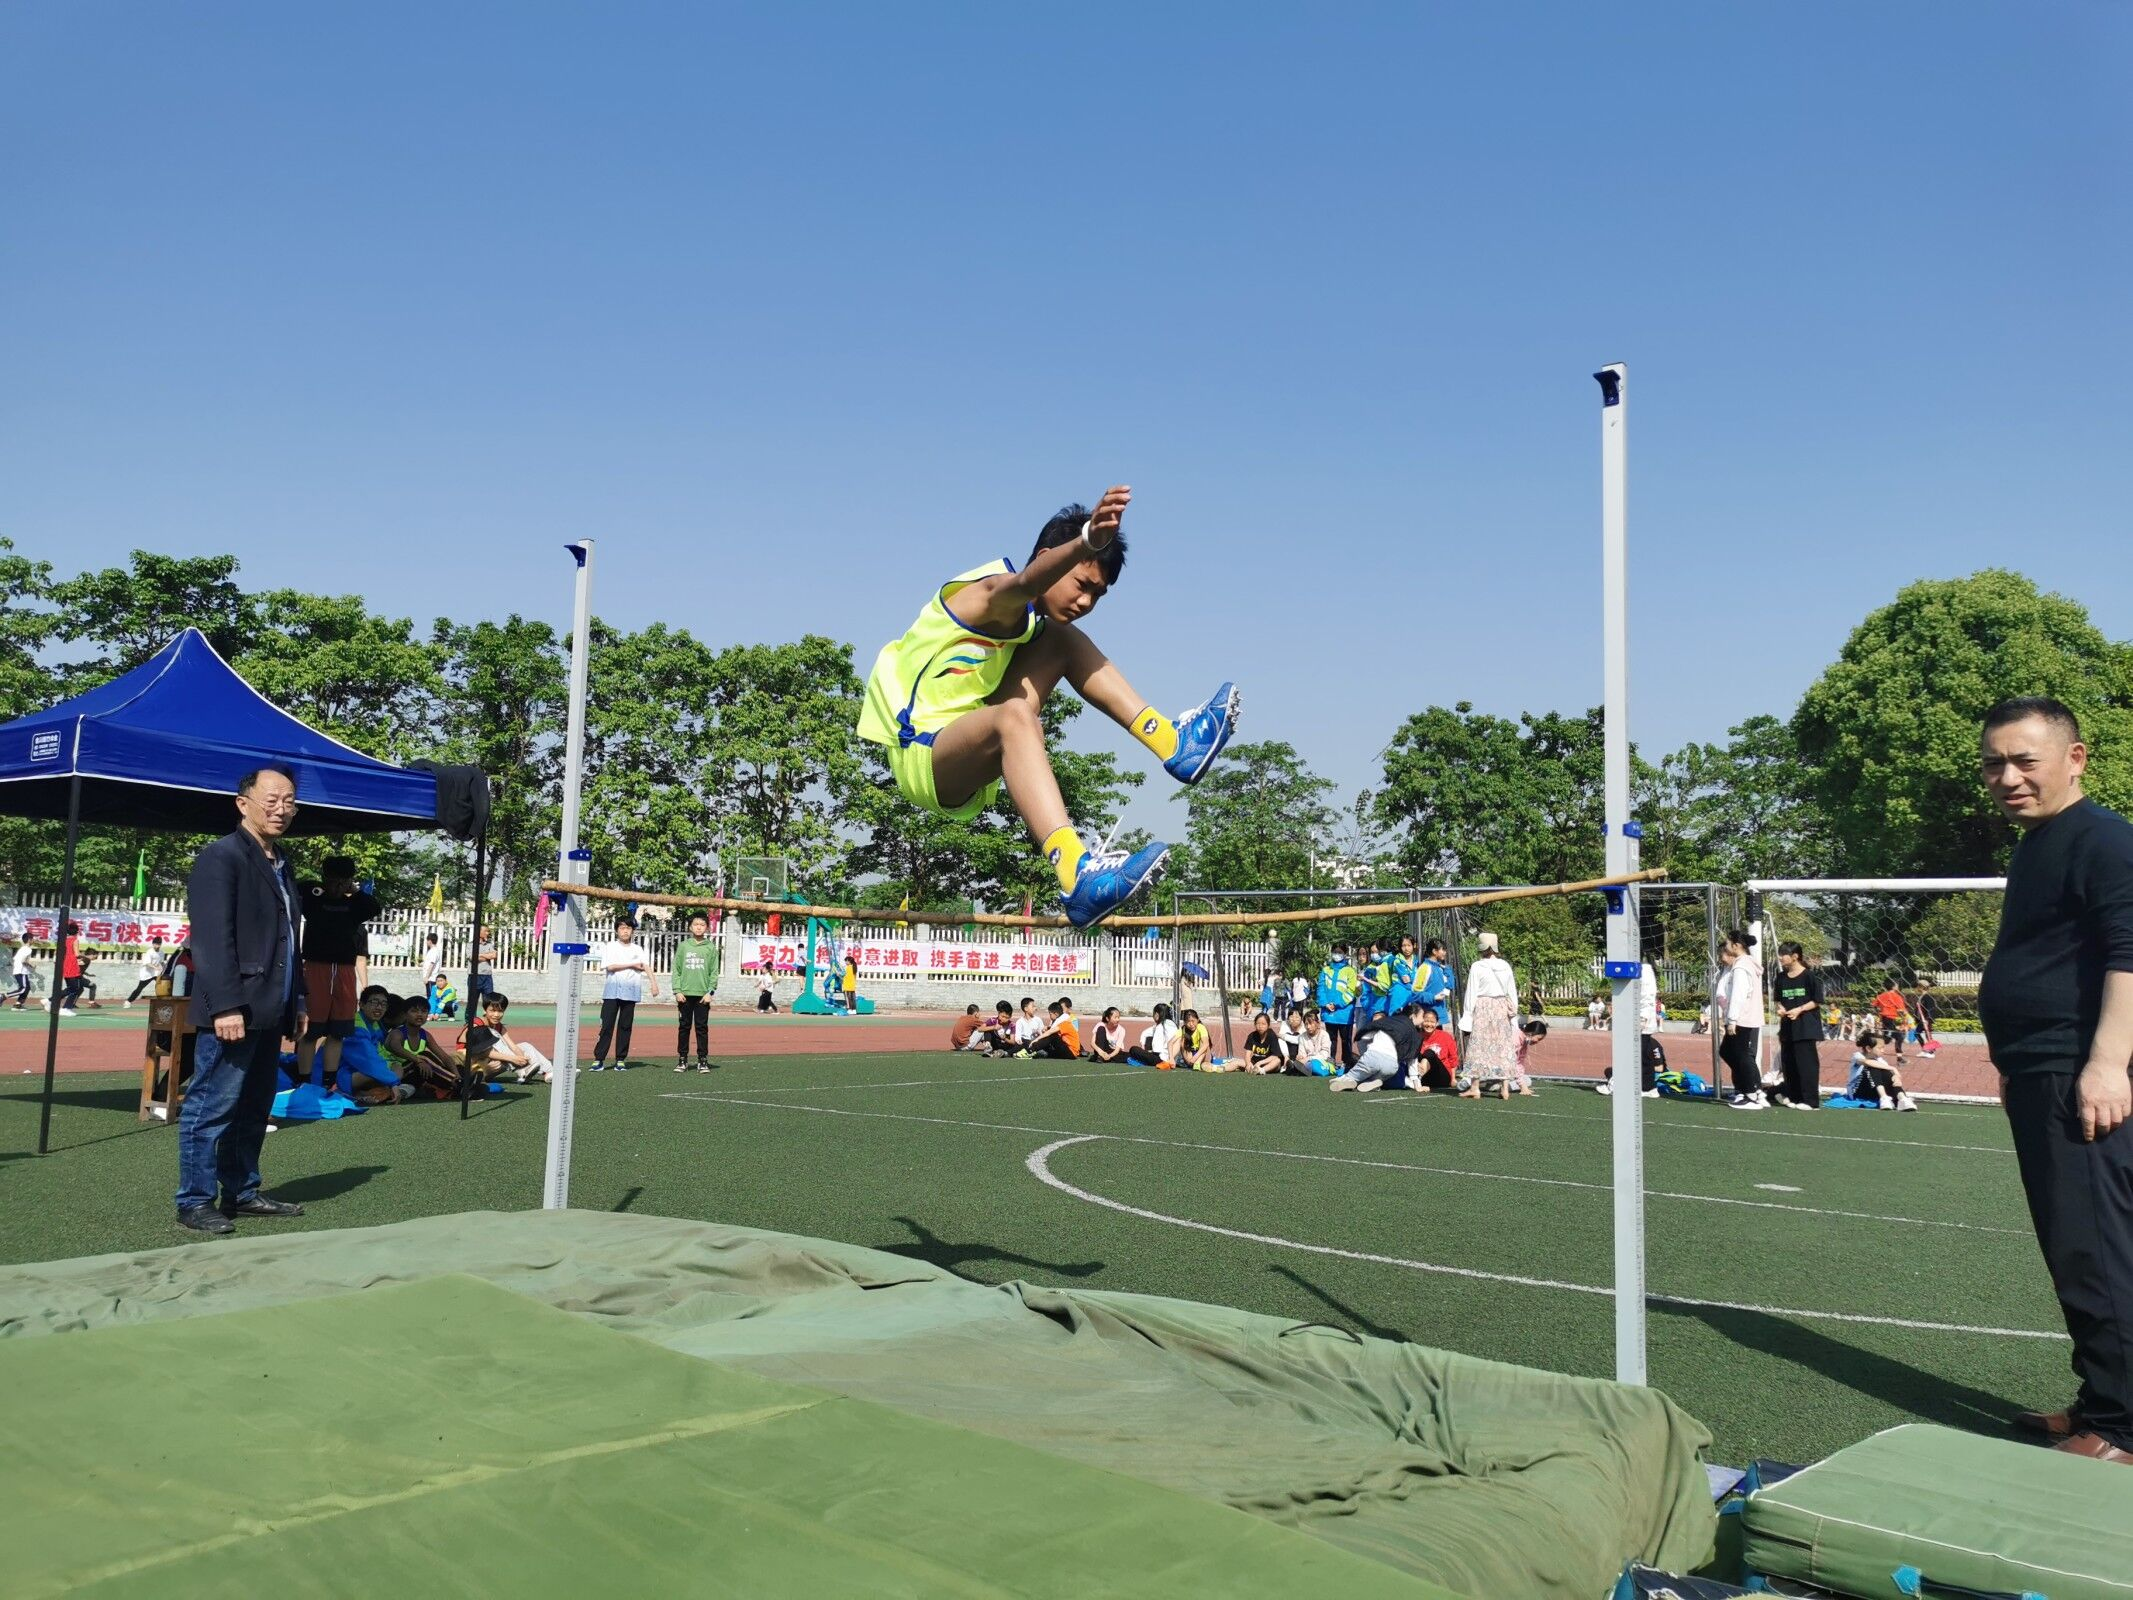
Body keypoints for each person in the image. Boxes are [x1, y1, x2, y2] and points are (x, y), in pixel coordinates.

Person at [855, 485, 1237, 927]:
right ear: (1045, 559)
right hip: (925, 753)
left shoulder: (1035, 623)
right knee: (1016, 716)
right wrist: (1085, 542)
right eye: (1081, 584)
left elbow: (1039, 610)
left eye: (1098, 596)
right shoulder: (984, 595)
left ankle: (1174, 743)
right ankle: (1074, 874)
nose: (1086, 603)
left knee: (1061, 639)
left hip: (970, 739)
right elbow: (1020, 584)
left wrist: (1087, 552)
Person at [1975, 696, 2133, 1465]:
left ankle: (2123, 1431)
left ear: (2074, 759)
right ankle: (2100, 1402)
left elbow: (2128, 954)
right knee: (2077, 1249)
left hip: (2081, 1076)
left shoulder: (2103, 840)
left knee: (2095, 1252)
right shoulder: (2039, 843)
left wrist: (2104, 1064)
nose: (2006, 777)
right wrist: (2014, 1061)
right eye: (1993, 763)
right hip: (2044, 1071)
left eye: (2023, 760)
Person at [173, 766, 307, 1236]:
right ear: (242, 802)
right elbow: (211, 940)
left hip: (273, 1008)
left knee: (254, 1106)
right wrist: (226, 1004)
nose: (281, 809)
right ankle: (194, 1200)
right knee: (212, 1105)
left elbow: (291, 940)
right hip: (234, 1009)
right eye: (271, 799)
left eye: (289, 800)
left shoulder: (281, 861)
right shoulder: (222, 857)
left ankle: (243, 1190)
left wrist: (301, 1001)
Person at [294, 854, 381, 1092]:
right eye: (333, 881)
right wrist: (322, 887)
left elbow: (374, 907)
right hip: (315, 967)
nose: (338, 886)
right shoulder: (313, 898)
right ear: (325, 878)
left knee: (338, 1031)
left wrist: (354, 890)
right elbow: (296, 888)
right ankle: (303, 1082)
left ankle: (328, 1083)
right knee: (310, 1030)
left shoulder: (354, 903)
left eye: (344, 881)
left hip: (344, 970)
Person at [1457, 931, 1521, 1099]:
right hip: (1500, 1007)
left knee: (1478, 1045)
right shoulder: (1505, 965)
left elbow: (1471, 992)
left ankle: (1475, 1087)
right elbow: (1511, 992)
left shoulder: (1477, 966)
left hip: (1483, 1006)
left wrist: (1468, 1015)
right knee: (1503, 1045)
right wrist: (1513, 1012)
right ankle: (1504, 1087)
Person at [590, 916, 657, 1070]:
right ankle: (599, 1059)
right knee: (606, 1026)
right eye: (622, 928)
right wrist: (632, 965)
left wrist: (654, 983)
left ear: (632, 931)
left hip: (631, 992)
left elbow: (646, 966)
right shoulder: (610, 947)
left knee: (625, 1026)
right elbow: (610, 967)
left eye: (628, 928)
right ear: (616, 930)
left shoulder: (637, 949)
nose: (625, 931)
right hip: (612, 992)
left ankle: (620, 1059)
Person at [1718, 928, 1769, 1109]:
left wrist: (1732, 1019)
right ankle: (1753, 1090)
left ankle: (1751, 1094)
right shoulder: (1747, 963)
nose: (1725, 947)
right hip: (1746, 1017)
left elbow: (1739, 994)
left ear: (1736, 946)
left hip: (1742, 1018)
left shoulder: (1741, 966)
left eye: (1727, 943)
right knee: (1728, 1052)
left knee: (1741, 1055)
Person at [1597, 962, 1663, 1097]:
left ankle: (1617, 1085)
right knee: (1643, 1052)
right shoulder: (1646, 970)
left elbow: (1641, 997)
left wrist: (1637, 1017)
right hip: (1644, 1016)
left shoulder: (1641, 970)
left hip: (1641, 1017)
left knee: (1629, 1051)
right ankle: (1648, 1087)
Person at [1771, 941, 1824, 1110]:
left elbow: (1817, 1001)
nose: (1780, 957)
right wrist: (1780, 1009)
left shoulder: (1809, 976)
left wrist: (1799, 1010)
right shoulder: (1780, 977)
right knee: (1789, 1063)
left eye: (1783, 954)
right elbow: (1778, 1000)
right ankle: (1794, 1097)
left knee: (1806, 1064)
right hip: (1787, 1027)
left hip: (1806, 1027)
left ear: (1795, 957)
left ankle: (1810, 1101)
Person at [465, 992, 555, 1085]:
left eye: (500, 1011)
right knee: (495, 1045)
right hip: (470, 1068)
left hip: (489, 1063)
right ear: (485, 1010)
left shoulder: (499, 1027)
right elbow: (484, 1052)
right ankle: (523, 1070)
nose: (496, 1014)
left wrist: (523, 1059)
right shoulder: (475, 1025)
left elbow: (513, 1047)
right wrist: (513, 1059)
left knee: (525, 1046)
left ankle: (549, 1072)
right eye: (492, 1010)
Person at [1333, 999, 1422, 1093]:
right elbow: (1413, 1061)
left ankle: (1348, 1080)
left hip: (1373, 1057)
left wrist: (1361, 1037)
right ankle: (1373, 1082)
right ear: (1413, 1016)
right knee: (1378, 1077)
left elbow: (1366, 1035)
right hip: (1391, 1066)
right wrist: (1417, 1085)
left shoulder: (1389, 1021)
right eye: (1422, 1016)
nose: (1423, 1020)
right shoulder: (1415, 1035)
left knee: (1353, 1075)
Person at [671, 910, 720, 1072]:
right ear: (690, 927)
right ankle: (682, 1059)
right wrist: (677, 991)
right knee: (684, 1027)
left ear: (706, 927)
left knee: (701, 1027)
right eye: (696, 925)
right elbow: (676, 970)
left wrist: (710, 992)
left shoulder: (710, 948)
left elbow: (714, 971)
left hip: (702, 996)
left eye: (702, 925)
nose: (699, 928)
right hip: (684, 994)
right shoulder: (684, 946)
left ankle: (702, 1060)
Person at [1844, 1030, 1916, 1111]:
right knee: (1874, 1066)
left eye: (1883, 1048)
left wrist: (1896, 1077)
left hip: (1874, 1091)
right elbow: (1866, 1062)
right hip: (1857, 1093)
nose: (1883, 1050)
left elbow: (1888, 1073)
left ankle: (1902, 1098)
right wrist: (1893, 1068)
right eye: (1880, 1048)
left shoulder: (1880, 1060)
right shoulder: (1857, 1056)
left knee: (1886, 1071)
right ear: (1868, 1048)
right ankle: (1884, 1097)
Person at [1316, 944, 1361, 1067]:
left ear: (1345, 954)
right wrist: (1325, 1003)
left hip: (1345, 1013)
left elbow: (1350, 991)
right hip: (1329, 1012)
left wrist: (1337, 1004)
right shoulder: (1326, 970)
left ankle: (1347, 1062)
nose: (1337, 954)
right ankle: (1331, 1061)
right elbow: (1320, 988)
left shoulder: (1350, 971)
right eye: (1335, 951)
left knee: (1346, 1040)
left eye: (1340, 952)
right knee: (1331, 1039)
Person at [1411, 1005, 1460, 1092]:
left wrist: (1453, 1079)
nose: (1429, 1024)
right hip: (1425, 1078)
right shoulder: (1416, 1037)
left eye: (1432, 1022)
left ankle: (1417, 1078)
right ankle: (1416, 1079)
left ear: (1437, 1023)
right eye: (1426, 1021)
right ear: (1422, 1022)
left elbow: (1453, 1059)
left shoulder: (1445, 1036)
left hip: (1442, 1076)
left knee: (1430, 1052)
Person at [1127, 1002, 1179, 1067]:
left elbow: (1158, 1048)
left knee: (1133, 1049)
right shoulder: (1170, 1024)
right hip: (1169, 1058)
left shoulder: (1162, 1025)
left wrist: (1144, 1048)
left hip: (1161, 1059)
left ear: (1157, 1015)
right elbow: (1145, 1033)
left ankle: (1143, 1061)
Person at [126, 938, 166, 1006]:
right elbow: (147, 963)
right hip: (147, 973)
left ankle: (163, 1002)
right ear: (153, 944)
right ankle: (128, 1001)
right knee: (140, 988)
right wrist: (156, 967)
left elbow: (161, 962)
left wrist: (164, 967)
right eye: (155, 944)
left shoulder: (161, 952)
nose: (157, 946)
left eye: (159, 944)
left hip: (156, 973)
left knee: (162, 985)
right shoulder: (149, 952)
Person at [1912, 977, 1941, 1058]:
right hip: (1921, 1020)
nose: (1917, 988)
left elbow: (1930, 1009)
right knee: (1917, 1033)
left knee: (1928, 1035)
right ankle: (1925, 1050)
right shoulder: (1921, 997)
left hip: (1926, 1020)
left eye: (1918, 986)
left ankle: (1931, 1052)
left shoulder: (1928, 997)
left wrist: (1928, 1019)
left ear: (1922, 987)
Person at [472, 925, 498, 1009]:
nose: (488, 933)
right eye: (486, 931)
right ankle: (470, 1020)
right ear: (479, 932)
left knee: (489, 999)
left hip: (487, 975)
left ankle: (487, 1018)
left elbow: (494, 955)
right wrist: (487, 956)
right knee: (473, 1000)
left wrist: (481, 955)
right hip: (476, 975)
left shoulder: (489, 945)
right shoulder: (472, 944)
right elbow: (473, 957)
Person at [8, 935, 34, 1009]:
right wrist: (31, 965)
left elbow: (15, 959)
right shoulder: (28, 949)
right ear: (29, 940)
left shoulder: (22, 948)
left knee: (27, 987)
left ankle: (18, 1004)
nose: (33, 940)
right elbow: (23, 961)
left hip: (18, 971)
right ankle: (4, 996)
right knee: (23, 989)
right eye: (32, 939)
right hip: (21, 971)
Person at [420, 932, 443, 1014]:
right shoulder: (432, 951)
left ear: (430, 941)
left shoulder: (434, 951)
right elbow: (430, 962)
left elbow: (432, 964)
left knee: (431, 997)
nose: (426, 942)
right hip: (431, 977)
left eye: (427, 940)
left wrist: (427, 977)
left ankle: (432, 1012)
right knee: (431, 996)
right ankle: (433, 1012)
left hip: (431, 978)